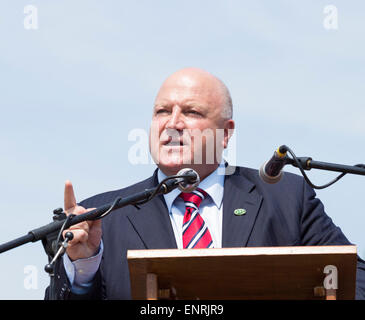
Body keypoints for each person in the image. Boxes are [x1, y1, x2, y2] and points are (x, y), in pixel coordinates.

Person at [45, 67, 365, 299]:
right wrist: (83, 269)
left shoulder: (284, 196)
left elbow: (356, 281)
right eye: (161, 111)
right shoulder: (102, 217)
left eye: (191, 112)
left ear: (225, 133)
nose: (172, 123)